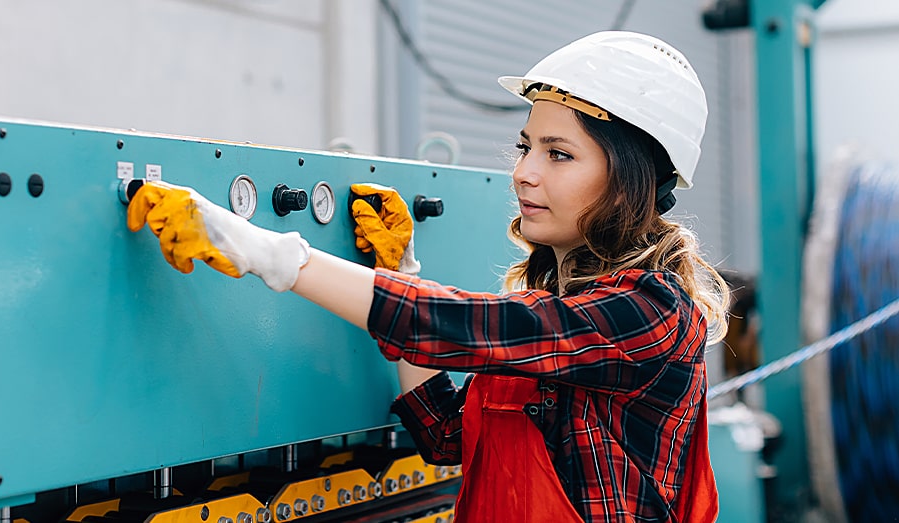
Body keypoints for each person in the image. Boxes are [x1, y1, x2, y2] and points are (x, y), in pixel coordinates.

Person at [126, 30, 729, 523]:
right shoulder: (557, 311)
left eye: (558, 153)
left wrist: (265, 251)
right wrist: (397, 271)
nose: (524, 173)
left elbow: (462, 325)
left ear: (632, 179)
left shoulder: (651, 312)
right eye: (525, 147)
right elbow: (447, 438)